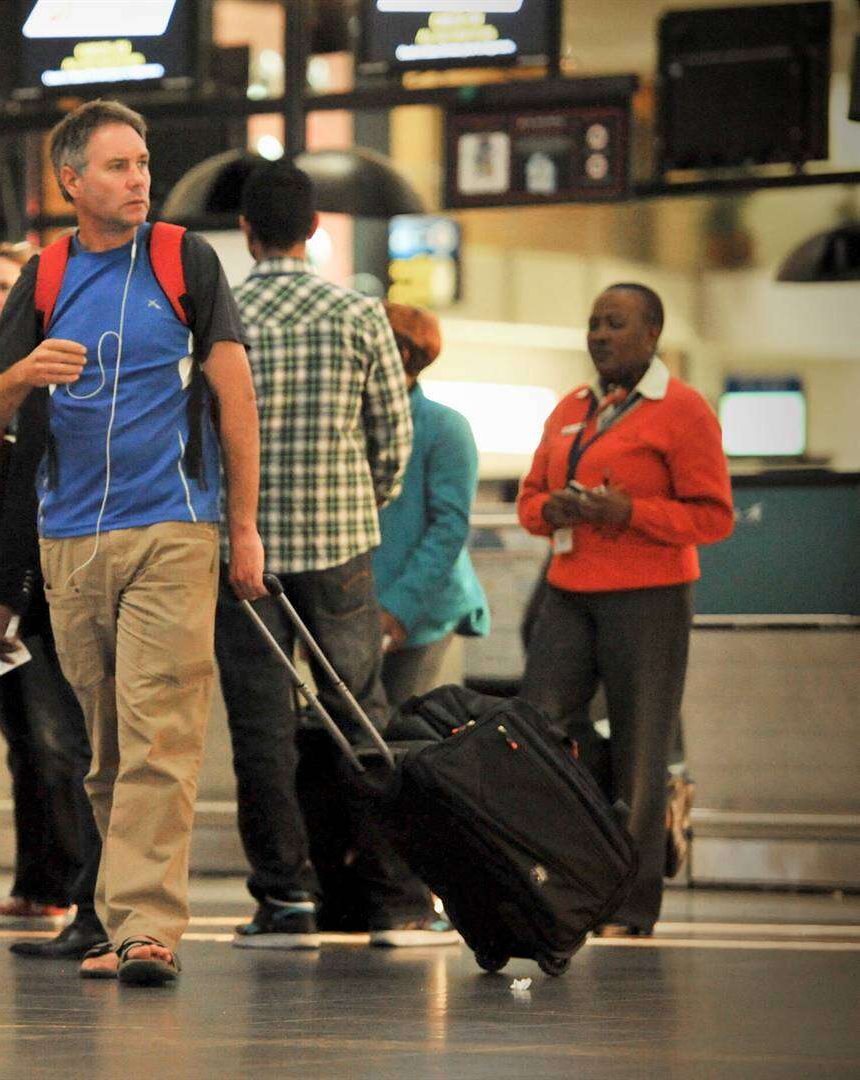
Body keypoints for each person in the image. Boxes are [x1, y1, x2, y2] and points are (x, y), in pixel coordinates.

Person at [0, 99, 265, 985]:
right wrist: (23, 371)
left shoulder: (183, 259)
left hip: (172, 526)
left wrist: (240, 527)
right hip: (69, 540)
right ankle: (115, 910)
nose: (139, 179)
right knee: (110, 746)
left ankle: (145, 931)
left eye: (142, 164)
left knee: (159, 731)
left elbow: (236, 401)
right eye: (118, 166)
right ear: (70, 181)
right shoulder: (46, 275)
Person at [212, 160, 454, 950]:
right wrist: (362, 504)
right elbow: (394, 437)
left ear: (245, 233)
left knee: (259, 731)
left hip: (241, 558)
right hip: (340, 549)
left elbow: (195, 437)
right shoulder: (357, 317)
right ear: (314, 230)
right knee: (360, 715)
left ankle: (284, 900)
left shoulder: (216, 319)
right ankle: (392, 903)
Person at [518, 282, 732, 937]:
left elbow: (713, 517)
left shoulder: (682, 410)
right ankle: (553, 880)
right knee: (538, 731)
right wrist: (548, 509)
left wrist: (630, 512)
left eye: (614, 324)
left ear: (650, 336)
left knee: (639, 750)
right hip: (568, 589)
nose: (599, 335)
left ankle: (630, 906)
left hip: (648, 598)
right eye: (592, 323)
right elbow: (529, 499)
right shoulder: (570, 408)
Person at [0, 242, 103, 947]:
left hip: (31, 583)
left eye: (8, 288)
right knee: (23, 734)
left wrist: (12, 593)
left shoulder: (46, 375)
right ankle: (39, 883)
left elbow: (34, 490)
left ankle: (70, 890)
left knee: (56, 737)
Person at [374, 301, 490, 704]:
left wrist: (400, 607)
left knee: (402, 736)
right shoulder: (353, 419)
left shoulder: (445, 428)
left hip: (422, 610)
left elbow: (450, 528)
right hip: (364, 610)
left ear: (402, 354)